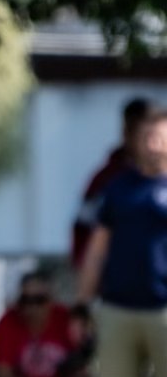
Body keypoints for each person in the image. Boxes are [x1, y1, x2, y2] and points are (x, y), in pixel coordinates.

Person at [75, 107, 167, 377]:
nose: (153, 141)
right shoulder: (117, 189)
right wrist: (82, 303)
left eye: (160, 134)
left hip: (164, 307)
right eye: (147, 134)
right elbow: (97, 251)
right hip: (118, 308)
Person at [71, 97, 151, 269]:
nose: (151, 143)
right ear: (126, 132)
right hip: (116, 284)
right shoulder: (106, 180)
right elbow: (83, 228)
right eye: (141, 133)